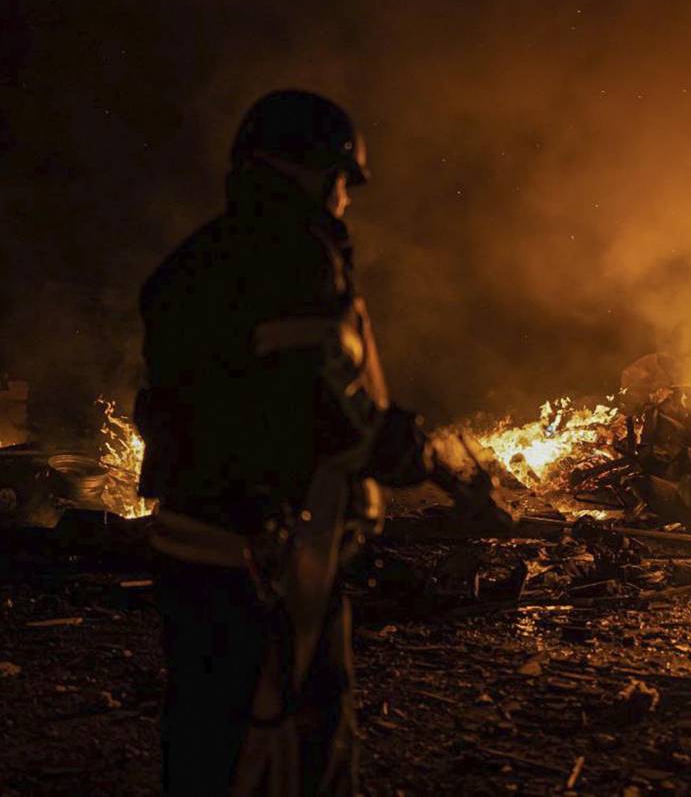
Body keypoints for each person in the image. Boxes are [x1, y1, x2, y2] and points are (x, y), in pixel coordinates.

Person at [136, 90, 492, 795]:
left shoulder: (191, 262)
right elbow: (332, 412)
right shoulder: (295, 257)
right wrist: (433, 464)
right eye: (342, 181)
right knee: (297, 749)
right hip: (271, 562)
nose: (345, 201)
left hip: (191, 548)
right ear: (311, 171)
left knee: (207, 743)